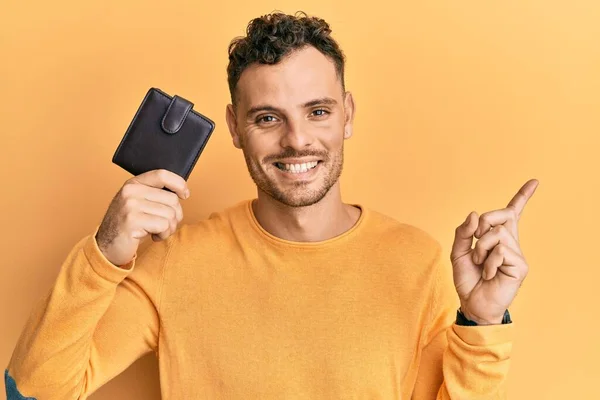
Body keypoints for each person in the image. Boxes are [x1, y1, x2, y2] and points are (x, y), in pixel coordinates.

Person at [5, 11, 538, 400]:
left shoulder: (416, 262)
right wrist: (104, 255)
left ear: (347, 115)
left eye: (318, 111)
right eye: (267, 118)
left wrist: (482, 321)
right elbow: (35, 390)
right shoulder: (176, 262)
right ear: (235, 127)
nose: (296, 140)